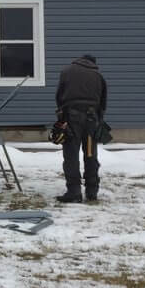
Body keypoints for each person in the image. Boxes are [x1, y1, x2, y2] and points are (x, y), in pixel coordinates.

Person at [54, 54, 108, 203]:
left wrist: (62, 115)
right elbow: (103, 101)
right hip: (91, 119)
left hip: (71, 118)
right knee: (90, 154)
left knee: (71, 155)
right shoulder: (98, 76)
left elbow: (59, 96)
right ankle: (92, 191)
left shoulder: (66, 72)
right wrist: (98, 119)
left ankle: (74, 192)